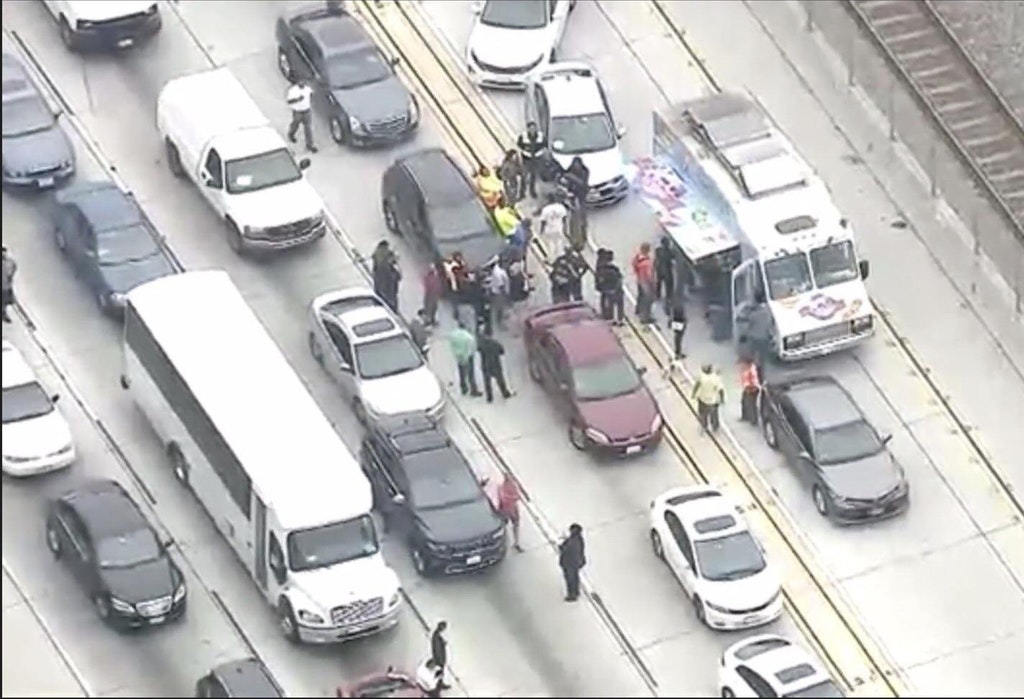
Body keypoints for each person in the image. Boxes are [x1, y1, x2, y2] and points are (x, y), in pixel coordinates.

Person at [478, 330, 513, 403]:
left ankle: (489, 397)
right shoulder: (496, 343)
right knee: (500, 380)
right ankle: (505, 393)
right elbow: (502, 351)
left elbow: (479, 350)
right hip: (496, 364)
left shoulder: (481, 344)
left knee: (487, 382)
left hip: (486, 365)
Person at [516, 120, 548, 198]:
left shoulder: (540, 136)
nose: (532, 130)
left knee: (534, 176)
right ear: (528, 129)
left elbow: (545, 144)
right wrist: (526, 150)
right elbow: (519, 145)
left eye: (534, 128)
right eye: (531, 128)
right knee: (524, 176)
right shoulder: (523, 136)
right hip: (527, 159)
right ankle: (522, 193)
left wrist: (539, 151)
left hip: (537, 158)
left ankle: (532, 191)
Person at [448, 323, 481, 397]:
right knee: (470, 374)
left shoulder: (453, 335)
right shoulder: (468, 337)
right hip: (468, 357)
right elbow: (472, 347)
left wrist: (456, 354)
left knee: (461, 372)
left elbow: (451, 345)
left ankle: (464, 388)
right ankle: (473, 390)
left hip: (459, 356)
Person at [692, 364, 725, 434]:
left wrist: (693, 394)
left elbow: (696, 385)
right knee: (714, 415)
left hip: (702, 400)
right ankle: (715, 427)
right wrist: (722, 399)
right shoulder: (715, 378)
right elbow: (721, 390)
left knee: (702, 414)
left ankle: (704, 427)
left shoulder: (701, 377)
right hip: (712, 401)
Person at [594, 248, 624, 325]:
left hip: (607, 288)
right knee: (615, 303)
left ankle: (609, 317)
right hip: (612, 288)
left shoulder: (600, 265)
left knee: (607, 302)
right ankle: (616, 318)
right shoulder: (612, 269)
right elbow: (619, 278)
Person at [286, 79, 317, 153]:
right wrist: (297, 99)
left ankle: (310, 145)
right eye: (300, 83)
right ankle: (291, 133)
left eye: (303, 83)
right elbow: (289, 101)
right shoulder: (293, 90)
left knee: (308, 128)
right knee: (296, 123)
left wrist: (310, 103)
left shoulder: (307, 89)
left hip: (307, 111)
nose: (302, 84)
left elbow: (311, 94)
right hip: (297, 111)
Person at [558, 523, 586, 602]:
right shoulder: (578, 539)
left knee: (570, 578)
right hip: (574, 562)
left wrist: (562, 548)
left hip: (570, 562)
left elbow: (568, 549)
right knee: (574, 577)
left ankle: (572, 594)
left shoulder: (574, 540)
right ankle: (576, 592)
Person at [372, 241, 401, 313]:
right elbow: (394, 262)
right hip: (388, 278)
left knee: (379, 293)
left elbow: (375, 267)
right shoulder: (388, 254)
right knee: (391, 295)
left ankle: (378, 306)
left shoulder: (377, 253)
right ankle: (393, 309)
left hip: (379, 278)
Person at [497, 474, 524, 552]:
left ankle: (516, 542)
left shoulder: (507, 486)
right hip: (507, 509)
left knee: (515, 524)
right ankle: (515, 543)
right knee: (512, 525)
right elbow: (505, 498)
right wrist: (515, 497)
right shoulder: (502, 488)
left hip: (511, 508)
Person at [631, 242, 656, 326]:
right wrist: (653, 283)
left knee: (640, 296)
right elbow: (649, 275)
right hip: (646, 282)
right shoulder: (647, 262)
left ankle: (638, 310)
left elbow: (634, 265)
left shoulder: (637, 257)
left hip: (639, 280)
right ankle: (645, 317)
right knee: (648, 300)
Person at [485, 262, 510, 331]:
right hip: (499, 293)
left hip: (498, 293)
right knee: (499, 309)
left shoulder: (497, 272)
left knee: (499, 309)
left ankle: (498, 322)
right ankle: (499, 323)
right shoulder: (499, 272)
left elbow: (500, 285)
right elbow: (501, 285)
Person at [654, 235, 675, 311]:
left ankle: (657, 295)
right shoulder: (670, 252)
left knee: (659, 283)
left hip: (659, 269)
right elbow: (673, 260)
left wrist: (654, 268)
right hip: (667, 271)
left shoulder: (658, 250)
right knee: (669, 285)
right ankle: (668, 298)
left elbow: (656, 260)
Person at [739, 355, 761, 425]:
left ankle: (754, 420)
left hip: (752, 389)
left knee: (752, 405)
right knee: (744, 401)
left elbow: (754, 381)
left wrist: (751, 388)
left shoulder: (752, 369)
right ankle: (746, 416)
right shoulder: (748, 368)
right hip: (748, 388)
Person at [430, 621, 451, 690]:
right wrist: (440, 660)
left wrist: (443, 643)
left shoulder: (437, 635)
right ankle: (438, 686)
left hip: (439, 658)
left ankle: (439, 684)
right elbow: (437, 648)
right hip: (439, 658)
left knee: (440, 673)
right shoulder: (436, 636)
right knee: (439, 673)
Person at [669, 294, 687, 359]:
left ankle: (677, 352)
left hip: (676, 318)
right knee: (678, 336)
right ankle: (677, 352)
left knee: (677, 335)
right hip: (679, 319)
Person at [1, 247, 16, 324]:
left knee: (5, 300)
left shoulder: (9, 261)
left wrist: (11, 276)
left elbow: (14, 267)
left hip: (6, 285)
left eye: (4, 252)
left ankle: (3, 313)